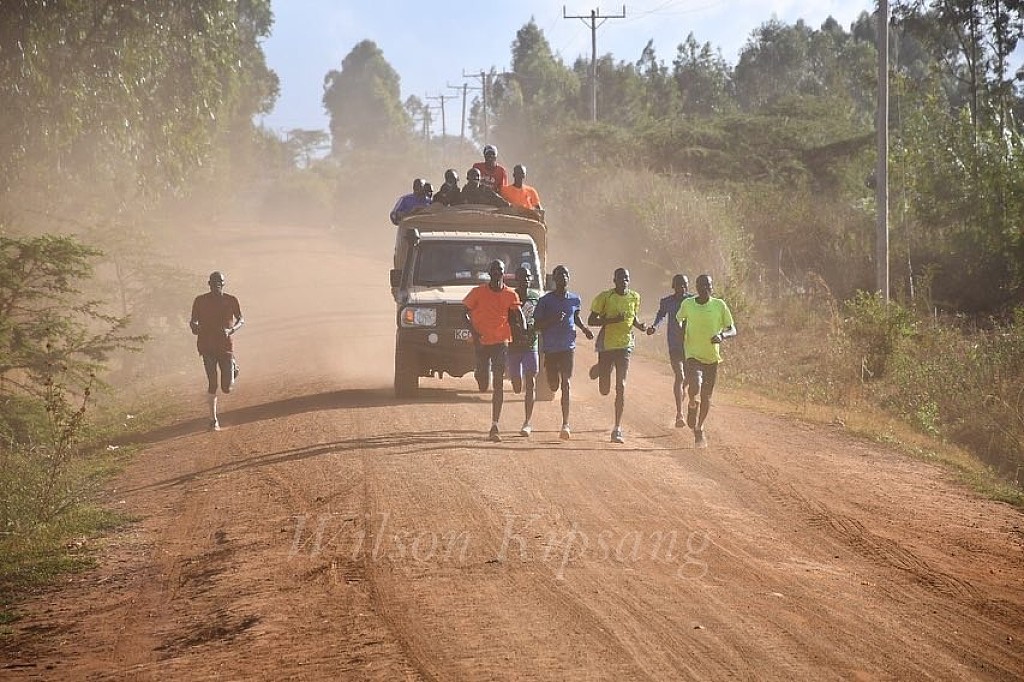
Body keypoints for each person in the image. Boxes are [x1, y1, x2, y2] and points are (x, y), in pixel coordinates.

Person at [464, 259, 524, 442]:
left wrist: (522, 330)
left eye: (500, 270)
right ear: (489, 273)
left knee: (498, 382)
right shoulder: (478, 292)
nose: (497, 273)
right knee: (483, 383)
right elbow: (463, 312)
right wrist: (474, 332)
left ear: (504, 273)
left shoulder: (510, 294)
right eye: (494, 270)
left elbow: (518, 314)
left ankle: (495, 425)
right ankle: (480, 373)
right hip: (481, 342)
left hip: (501, 342)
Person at [676, 273, 736, 448]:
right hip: (693, 354)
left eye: (708, 286)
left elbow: (732, 329)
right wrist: (681, 329)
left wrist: (722, 336)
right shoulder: (688, 304)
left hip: (712, 357)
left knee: (707, 396)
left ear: (712, 287)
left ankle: (699, 428)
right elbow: (678, 319)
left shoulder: (719, 305)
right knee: (695, 384)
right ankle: (692, 403)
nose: (705, 289)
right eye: (701, 286)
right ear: (696, 288)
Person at [534, 265, 594, 440]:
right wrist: (552, 320)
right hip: (551, 348)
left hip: (568, 347)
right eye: (559, 275)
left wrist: (584, 329)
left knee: (566, 383)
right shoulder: (545, 301)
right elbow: (537, 325)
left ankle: (565, 424)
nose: (563, 277)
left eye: (565, 274)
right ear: (554, 279)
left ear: (569, 277)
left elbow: (575, 317)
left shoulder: (575, 299)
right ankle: (551, 379)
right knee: (554, 384)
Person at [588, 267, 646, 443]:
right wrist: (613, 320)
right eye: (620, 279)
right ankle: (601, 369)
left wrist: (640, 326)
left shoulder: (634, 297)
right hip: (607, 346)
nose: (624, 282)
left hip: (625, 345)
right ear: (614, 281)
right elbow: (591, 320)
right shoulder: (605, 297)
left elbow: (632, 318)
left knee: (621, 386)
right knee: (604, 390)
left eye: (626, 278)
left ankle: (617, 428)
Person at [189, 271, 244, 431]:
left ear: (223, 284)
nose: (216, 286)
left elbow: (241, 319)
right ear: (209, 284)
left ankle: (233, 366)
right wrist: (195, 326)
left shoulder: (230, 300)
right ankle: (213, 420)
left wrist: (231, 330)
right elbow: (193, 320)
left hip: (225, 346)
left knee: (226, 388)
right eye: (213, 283)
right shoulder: (200, 301)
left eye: (219, 283)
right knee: (212, 382)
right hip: (206, 346)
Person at [646, 274, 693, 427]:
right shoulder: (667, 302)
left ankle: (683, 392)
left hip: (691, 346)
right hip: (674, 345)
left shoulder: (693, 301)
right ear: (673, 286)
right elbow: (661, 315)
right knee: (679, 376)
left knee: (688, 379)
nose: (682, 287)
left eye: (684, 284)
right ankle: (679, 414)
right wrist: (654, 327)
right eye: (679, 285)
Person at [508, 264, 542, 436]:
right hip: (514, 346)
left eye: (528, 277)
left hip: (531, 345)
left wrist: (536, 329)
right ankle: (515, 378)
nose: (526, 280)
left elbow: (541, 318)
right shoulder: (510, 297)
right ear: (517, 279)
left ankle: (527, 422)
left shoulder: (536, 297)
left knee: (531, 382)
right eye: (522, 277)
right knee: (516, 385)